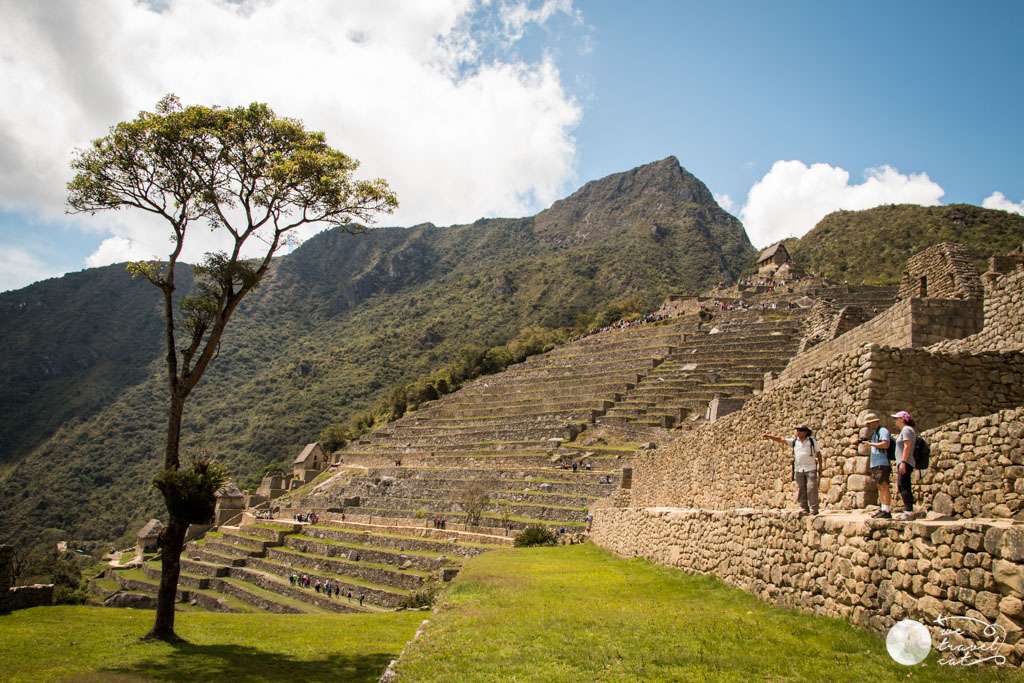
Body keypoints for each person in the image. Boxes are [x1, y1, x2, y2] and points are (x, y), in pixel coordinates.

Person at [762, 425, 822, 515]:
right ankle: (804, 508)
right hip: (799, 469)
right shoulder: (795, 442)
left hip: (810, 468)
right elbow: (781, 440)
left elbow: (818, 453)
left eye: (800, 430)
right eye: (797, 430)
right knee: (801, 488)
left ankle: (814, 509)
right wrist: (769, 436)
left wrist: (820, 466)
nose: (798, 432)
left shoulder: (811, 442)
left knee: (811, 488)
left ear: (805, 432)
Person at [860, 413, 892, 519]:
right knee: (879, 486)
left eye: (869, 424)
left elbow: (885, 444)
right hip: (876, 463)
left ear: (874, 422)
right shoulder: (875, 434)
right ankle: (883, 509)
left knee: (884, 485)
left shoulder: (883, 431)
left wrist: (871, 444)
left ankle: (887, 510)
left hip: (882, 463)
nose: (868, 426)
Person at [892, 411, 917, 521]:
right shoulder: (906, 430)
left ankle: (908, 512)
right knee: (903, 485)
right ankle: (908, 511)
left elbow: (907, 446)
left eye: (896, 418)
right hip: (905, 461)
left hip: (905, 462)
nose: (895, 420)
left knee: (903, 485)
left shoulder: (906, 430)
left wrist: (903, 462)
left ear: (902, 419)